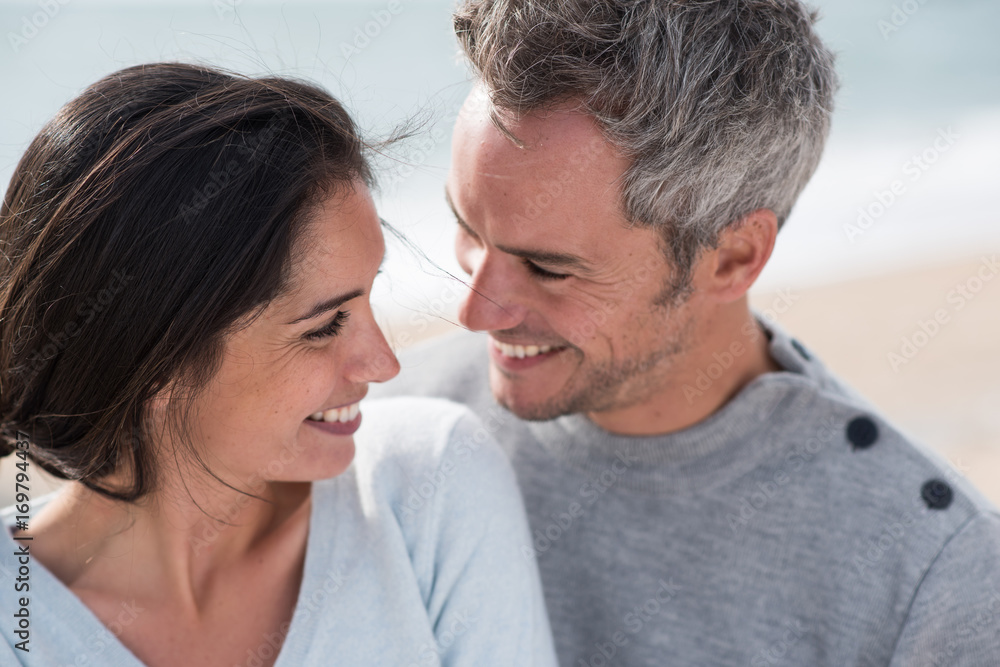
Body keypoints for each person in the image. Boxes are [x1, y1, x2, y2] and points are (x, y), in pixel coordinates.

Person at [370, 1, 1000, 665]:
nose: (473, 310)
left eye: (548, 268)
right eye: (469, 229)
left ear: (732, 257)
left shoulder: (938, 588)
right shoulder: (381, 433)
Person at [0, 62, 557, 666]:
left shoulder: (430, 487)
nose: (384, 364)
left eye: (370, 296)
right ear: (154, 365)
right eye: (323, 327)